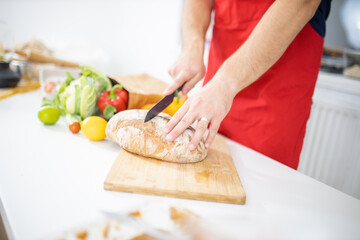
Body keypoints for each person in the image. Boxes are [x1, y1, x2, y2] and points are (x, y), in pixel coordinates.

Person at [163, 0, 331, 169]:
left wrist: (225, 83)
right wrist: (192, 45)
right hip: (215, 89)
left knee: (260, 178)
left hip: (276, 95)